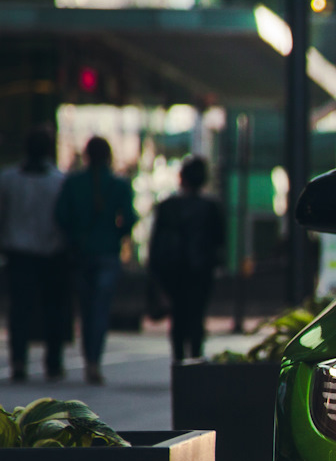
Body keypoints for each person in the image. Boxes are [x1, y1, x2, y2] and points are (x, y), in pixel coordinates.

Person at [0, 126, 71, 382]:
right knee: (53, 308)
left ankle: (18, 361)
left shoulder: (8, 178)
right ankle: (54, 363)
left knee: (20, 309)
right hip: (51, 253)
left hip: (18, 252)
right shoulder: (59, 180)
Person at [54, 136, 139, 385]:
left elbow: (60, 216)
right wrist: (116, 235)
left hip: (81, 253)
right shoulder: (119, 185)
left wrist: (75, 237)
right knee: (100, 309)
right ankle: (94, 361)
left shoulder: (73, 183)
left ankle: (87, 357)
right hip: (108, 252)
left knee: (85, 307)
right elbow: (130, 219)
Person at [148, 155, 227, 362]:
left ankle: (179, 359)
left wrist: (156, 272)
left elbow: (156, 243)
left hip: (172, 271)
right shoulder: (211, 207)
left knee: (178, 317)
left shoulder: (167, 206)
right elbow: (220, 240)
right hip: (200, 269)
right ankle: (195, 358)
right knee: (196, 316)